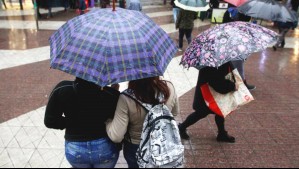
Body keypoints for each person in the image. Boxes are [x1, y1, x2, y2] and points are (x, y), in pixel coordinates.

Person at [45, 78, 120, 168]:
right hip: (104, 146)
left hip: (75, 148)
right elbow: (116, 120)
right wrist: (114, 92)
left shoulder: (62, 88)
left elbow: (50, 121)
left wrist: (71, 121)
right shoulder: (111, 94)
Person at [106, 77, 180, 168]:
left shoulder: (126, 98)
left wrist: (108, 122)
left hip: (136, 147)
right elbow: (175, 112)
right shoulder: (169, 87)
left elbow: (116, 136)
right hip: (162, 143)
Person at [178, 62, 237, 143]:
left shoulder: (216, 60)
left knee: (220, 111)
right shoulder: (212, 64)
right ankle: (181, 127)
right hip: (207, 95)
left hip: (212, 93)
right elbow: (218, 84)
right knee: (201, 113)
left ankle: (221, 133)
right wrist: (232, 86)